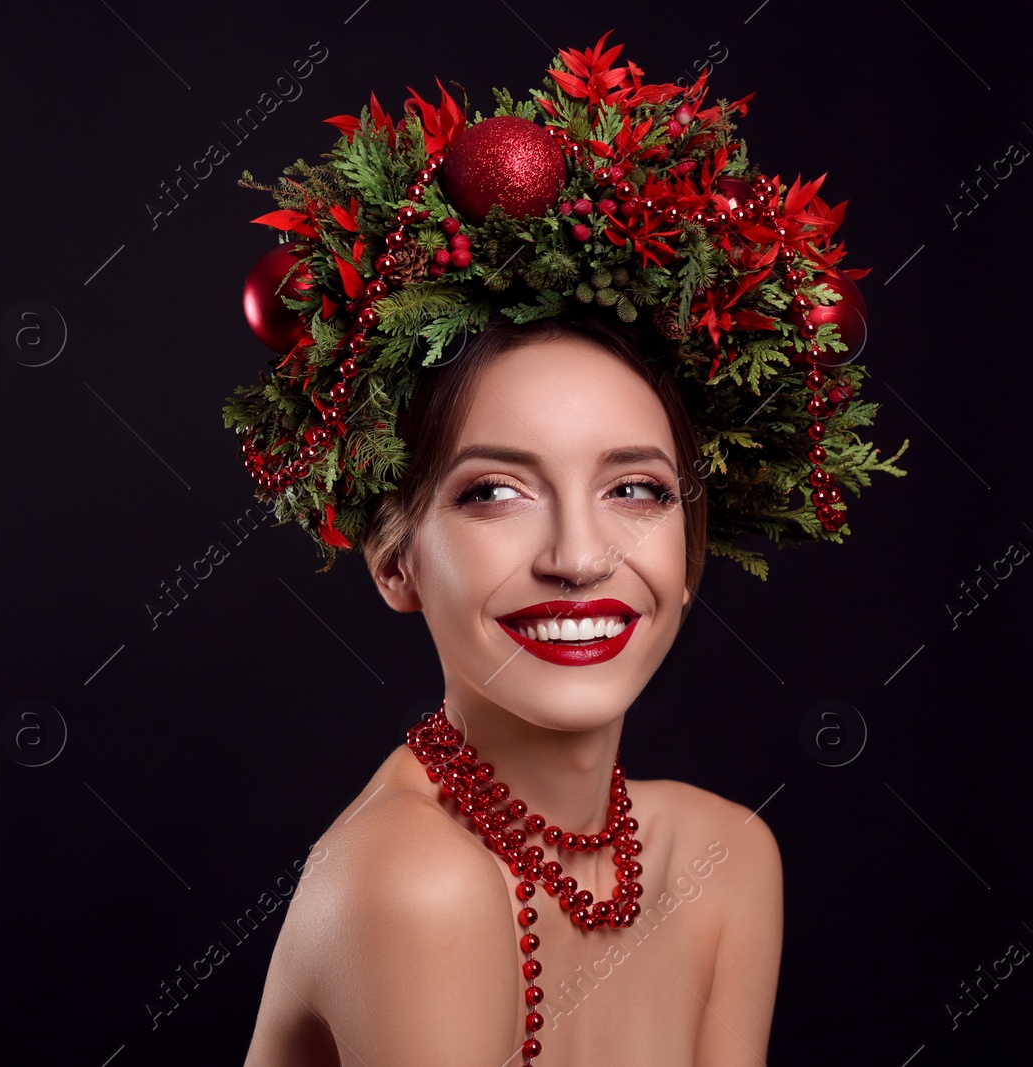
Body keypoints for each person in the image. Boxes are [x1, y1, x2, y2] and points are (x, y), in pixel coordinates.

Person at [224, 33, 908, 1067]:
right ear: (394, 557)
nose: (580, 555)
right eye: (494, 491)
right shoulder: (415, 881)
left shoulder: (723, 858)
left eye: (633, 487)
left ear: (691, 540)